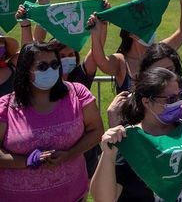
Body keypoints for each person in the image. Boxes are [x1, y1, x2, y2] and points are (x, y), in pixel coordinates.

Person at [91, 67, 182, 201]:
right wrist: (108, 155)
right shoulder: (131, 140)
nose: (179, 102)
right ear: (146, 102)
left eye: (180, 95)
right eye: (170, 99)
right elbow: (103, 198)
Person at [0, 41, 104, 201]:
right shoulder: (5, 107)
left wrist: (69, 154)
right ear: (25, 71)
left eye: (55, 64)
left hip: (73, 196)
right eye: (42, 67)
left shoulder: (77, 93)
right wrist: (27, 161)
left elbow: (96, 131)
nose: (51, 70)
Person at [91, 0, 182, 93]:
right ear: (131, 34)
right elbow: (101, 61)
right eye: (145, 29)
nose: (151, 32)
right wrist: (96, 32)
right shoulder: (121, 61)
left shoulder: (161, 52)